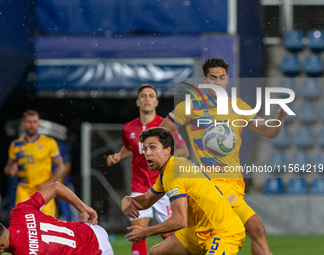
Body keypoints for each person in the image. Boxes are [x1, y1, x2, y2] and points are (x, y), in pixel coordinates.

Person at [159, 57, 289, 255]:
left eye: (222, 78)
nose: (218, 82)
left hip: (235, 184)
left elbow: (269, 131)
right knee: (257, 229)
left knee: (175, 247)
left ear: (227, 79)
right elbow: (160, 135)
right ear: (204, 80)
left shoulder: (238, 106)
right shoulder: (189, 107)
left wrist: (278, 120)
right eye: (213, 78)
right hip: (213, 185)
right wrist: (179, 151)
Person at [122, 127, 246, 255]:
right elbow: (146, 200)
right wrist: (128, 199)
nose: (147, 153)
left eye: (152, 147)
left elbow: (180, 221)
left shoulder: (175, 172)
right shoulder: (168, 172)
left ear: (167, 150)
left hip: (224, 232)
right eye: (145, 149)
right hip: (196, 232)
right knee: (157, 252)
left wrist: (145, 232)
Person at [106, 84, 189, 255]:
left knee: (170, 235)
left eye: (151, 96)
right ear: (137, 102)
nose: (147, 99)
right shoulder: (128, 128)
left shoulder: (165, 125)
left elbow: (184, 150)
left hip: (163, 187)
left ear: (156, 101)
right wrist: (118, 156)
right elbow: (129, 148)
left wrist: (165, 158)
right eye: (143, 96)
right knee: (137, 230)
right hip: (140, 188)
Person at [0, 182, 114, 255]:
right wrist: (82, 208)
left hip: (97, 252)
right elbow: (56, 187)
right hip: (92, 229)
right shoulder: (19, 212)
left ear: (0, 246)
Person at [4, 110, 66, 217]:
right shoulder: (16, 145)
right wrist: (10, 170)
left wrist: (49, 182)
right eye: (29, 122)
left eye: (34, 122)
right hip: (24, 191)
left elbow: (61, 167)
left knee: (48, 225)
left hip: (44, 192)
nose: (31, 125)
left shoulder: (49, 143)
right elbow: (8, 168)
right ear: (23, 124)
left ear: (38, 124)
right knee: (22, 224)